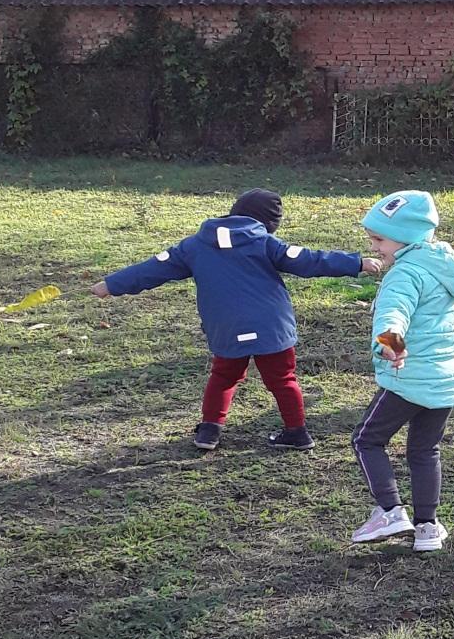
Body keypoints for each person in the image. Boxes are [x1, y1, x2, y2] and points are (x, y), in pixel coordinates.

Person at [92, 187, 378, 451]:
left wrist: (112, 285)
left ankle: (209, 431)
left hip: (226, 327)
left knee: (224, 376)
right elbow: (310, 259)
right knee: (282, 378)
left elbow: (154, 267)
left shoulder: (194, 246)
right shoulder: (266, 243)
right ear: (268, 222)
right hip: (271, 326)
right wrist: (356, 262)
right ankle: (297, 432)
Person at [351, 190, 454, 552]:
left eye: (379, 240)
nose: (375, 247)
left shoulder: (403, 274)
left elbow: (395, 314)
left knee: (366, 440)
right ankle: (427, 528)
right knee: (424, 450)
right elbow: (447, 304)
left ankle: (390, 511)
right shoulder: (441, 264)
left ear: (406, 237)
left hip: (410, 377)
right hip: (444, 379)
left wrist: (390, 344)